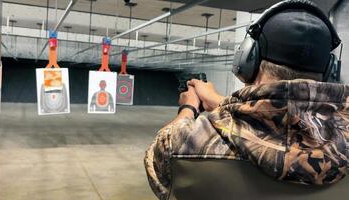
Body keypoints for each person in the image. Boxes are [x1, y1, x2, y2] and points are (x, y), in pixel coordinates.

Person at [144, 1, 349, 200]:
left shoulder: (185, 145)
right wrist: (220, 102)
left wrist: (188, 107)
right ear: (331, 70)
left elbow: (156, 162)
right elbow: (290, 119)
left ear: (247, 60)